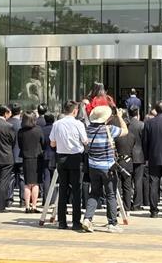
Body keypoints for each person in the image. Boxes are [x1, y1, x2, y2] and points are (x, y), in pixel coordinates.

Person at [81, 106, 128, 234]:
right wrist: (119, 117)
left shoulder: (88, 129)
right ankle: (112, 223)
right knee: (110, 194)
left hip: (93, 166)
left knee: (94, 193)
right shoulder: (109, 129)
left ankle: (87, 218)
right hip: (107, 167)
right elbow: (125, 131)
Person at [49, 100, 88, 230]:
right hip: (76, 157)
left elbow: (52, 143)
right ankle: (76, 222)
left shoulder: (57, 124)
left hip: (61, 157)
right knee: (76, 190)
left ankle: (62, 222)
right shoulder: (79, 124)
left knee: (63, 189)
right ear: (75, 111)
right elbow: (85, 141)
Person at [17, 111, 44, 213]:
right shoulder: (38, 129)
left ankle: (27, 206)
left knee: (27, 183)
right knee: (35, 183)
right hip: (37, 158)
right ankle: (34, 206)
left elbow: (20, 145)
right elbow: (43, 142)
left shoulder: (21, 131)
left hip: (26, 158)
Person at [112, 113, 135, 213]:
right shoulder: (133, 136)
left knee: (117, 185)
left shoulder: (117, 137)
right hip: (128, 161)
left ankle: (118, 205)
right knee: (127, 186)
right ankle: (127, 207)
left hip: (119, 161)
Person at [127, 106, 145, 211]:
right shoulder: (141, 125)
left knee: (127, 181)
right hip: (139, 155)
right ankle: (137, 204)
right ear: (137, 113)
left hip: (128, 154)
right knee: (138, 180)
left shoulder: (126, 124)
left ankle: (127, 203)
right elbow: (145, 140)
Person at [7, 103, 24, 208]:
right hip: (21, 154)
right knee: (22, 178)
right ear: (20, 112)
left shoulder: (6, 123)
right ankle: (22, 200)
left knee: (10, 177)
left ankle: (9, 199)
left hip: (9, 154)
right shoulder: (23, 123)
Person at [40, 112, 56, 204]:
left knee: (46, 178)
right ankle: (53, 199)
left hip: (45, 155)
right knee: (54, 179)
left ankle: (46, 199)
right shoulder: (55, 129)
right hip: (55, 155)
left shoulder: (41, 129)